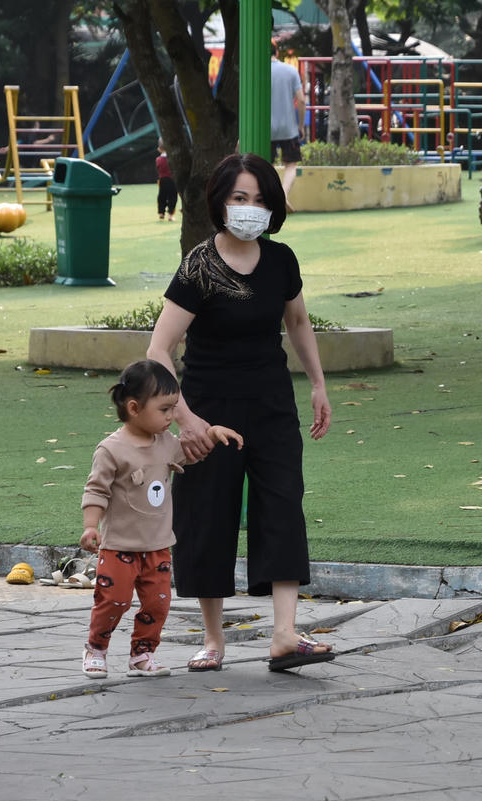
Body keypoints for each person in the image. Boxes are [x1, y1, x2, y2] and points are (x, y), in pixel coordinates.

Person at [146, 152, 333, 674]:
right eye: (239, 198)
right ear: (220, 203)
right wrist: (186, 419)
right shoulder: (198, 267)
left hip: (272, 404)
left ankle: (284, 635)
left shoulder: (281, 260)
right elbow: (158, 349)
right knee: (208, 515)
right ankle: (212, 639)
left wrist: (318, 385)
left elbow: (298, 322)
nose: (250, 209)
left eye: (259, 200)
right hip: (208, 410)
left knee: (282, 508)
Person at [79, 360, 243, 680]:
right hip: (119, 548)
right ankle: (96, 648)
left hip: (158, 547)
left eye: (173, 409)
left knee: (157, 605)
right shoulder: (111, 450)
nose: (171, 417)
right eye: (164, 410)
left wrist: (212, 432)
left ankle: (143, 654)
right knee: (113, 601)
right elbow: (96, 490)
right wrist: (90, 526)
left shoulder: (166, 443)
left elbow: (191, 452)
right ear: (134, 407)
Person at [270, 41, 306, 203]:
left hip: (265, 129)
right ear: (276, 52)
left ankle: (270, 196)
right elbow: (301, 100)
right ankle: (283, 195)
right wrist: (300, 126)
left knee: (266, 165)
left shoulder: (256, 71)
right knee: (291, 164)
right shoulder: (291, 71)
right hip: (288, 128)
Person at [155, 139, 177, 222]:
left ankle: (161, 213)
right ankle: (170, 215)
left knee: (162, 196)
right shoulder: (173, 159)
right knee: (172, 197)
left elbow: (158, 168)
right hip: (172, 180)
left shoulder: (158, 159)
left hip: (162, 180)